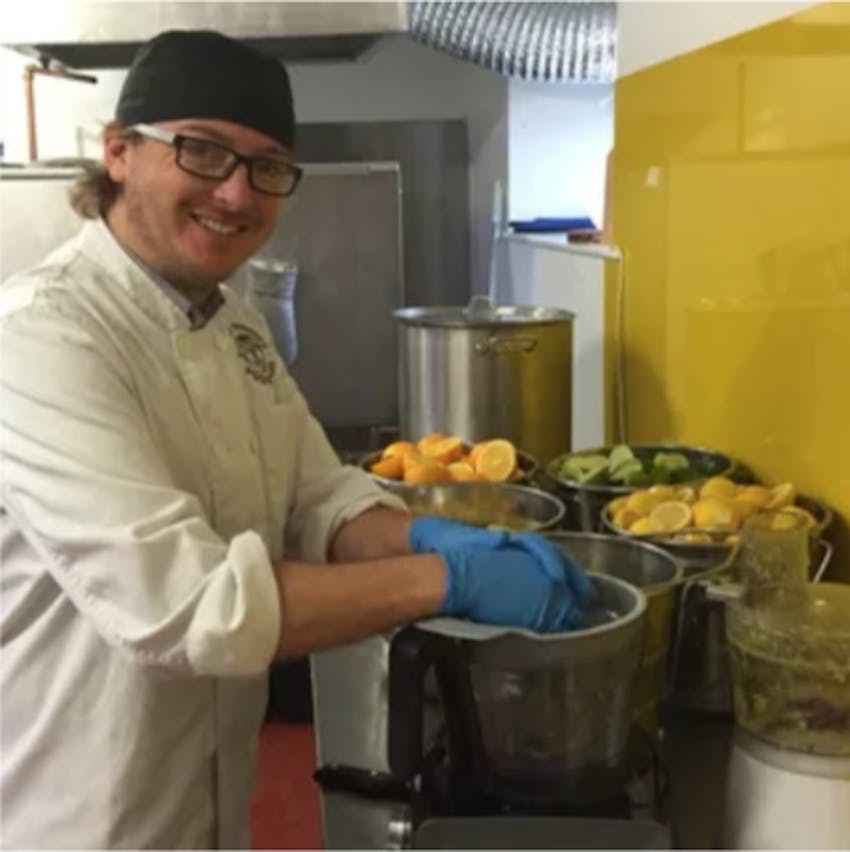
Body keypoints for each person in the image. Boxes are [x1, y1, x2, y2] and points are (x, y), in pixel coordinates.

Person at [0, 30, 592, 849]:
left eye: (268, 166)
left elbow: (320, 496)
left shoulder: (232, 322)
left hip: (208, 809)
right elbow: (189, 605)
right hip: (74, 822)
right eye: (203, 152)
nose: (238, 194)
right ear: (119, 153)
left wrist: (425, 530)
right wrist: (445, 578)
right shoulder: (41, 338)